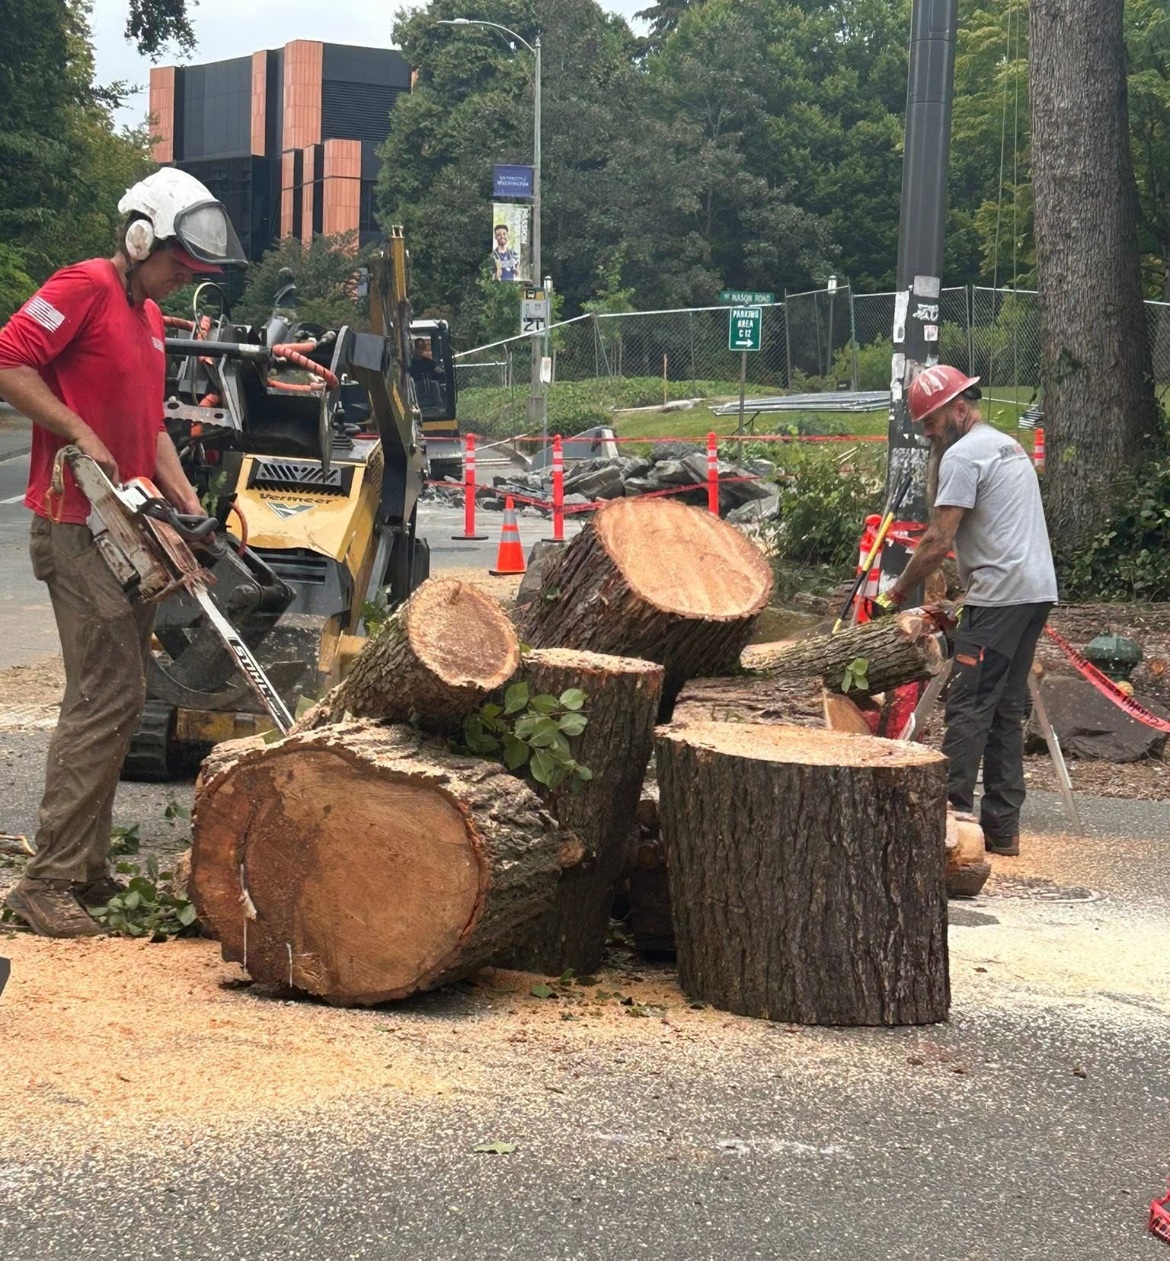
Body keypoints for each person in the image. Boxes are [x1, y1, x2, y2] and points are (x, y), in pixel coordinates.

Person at [0, 168, 247, 936]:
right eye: (178, 265)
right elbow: (8, 358)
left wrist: (187, 508)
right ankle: (47, 884)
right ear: (140, 238)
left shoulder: (143, 314)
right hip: (75, 521)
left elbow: (154, 429)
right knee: (104, 696)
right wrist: (74, 428)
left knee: (119, 698)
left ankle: (88, 870)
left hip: (126, 527)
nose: (181, 282)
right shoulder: (84, 286)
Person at [873, 364, 1058, 857]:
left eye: (931, 421)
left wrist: (896, 594)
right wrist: (962, 599)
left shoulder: (962, 456)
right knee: (1005, 707)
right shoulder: (1005, 444)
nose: (928, 432)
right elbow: (997, 532)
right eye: (922, 425)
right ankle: (1001, 829)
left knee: (969, 705)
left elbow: (937, 542)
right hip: (1033, 590)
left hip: (1001, 594)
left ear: (959, 407)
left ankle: (950, 823)